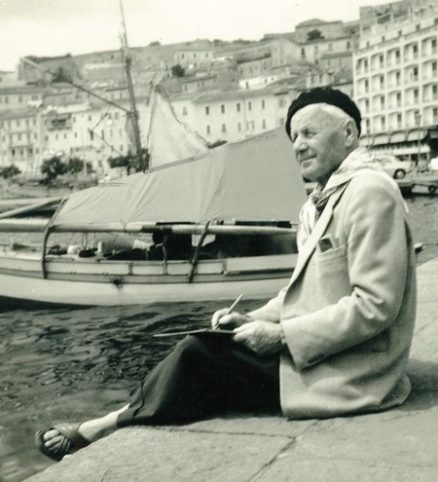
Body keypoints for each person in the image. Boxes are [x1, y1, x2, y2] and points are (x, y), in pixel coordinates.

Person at [35, 87, 416, 461]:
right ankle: (119, 417)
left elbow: (375, 306)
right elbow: (302, 292)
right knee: (210, 350)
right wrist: (251, 319)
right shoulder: (323, 199)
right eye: (294, 137)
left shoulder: (369, 192)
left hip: (352, 371)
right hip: (321, 353)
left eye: (309, 133)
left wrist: (282, 334)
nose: (298, 146)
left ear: (348, 133)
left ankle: (101, 427)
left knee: (199, 354)